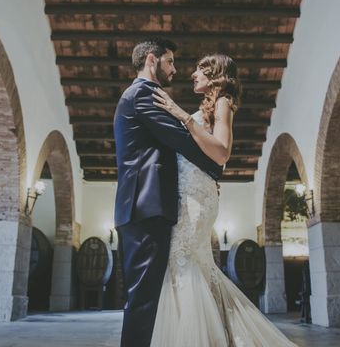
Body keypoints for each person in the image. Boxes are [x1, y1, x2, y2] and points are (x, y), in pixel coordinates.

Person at [150, 53, 297, 347]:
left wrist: (182, 117)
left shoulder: (223, 102)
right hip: (188, 193)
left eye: (201, 70)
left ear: (216, 75)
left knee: (183, 262)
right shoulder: (208, 105)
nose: (193, 74)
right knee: (190, 264)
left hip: (197, 199)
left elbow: (222, 152)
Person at [113, 38, 223, 347]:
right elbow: (181, 140)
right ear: (152, 60)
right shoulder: (143, 94)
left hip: (145, 208)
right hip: (144, 207)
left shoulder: (143, 95)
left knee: (148, 298)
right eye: (170, 61)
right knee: (142, 301)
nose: (175, 69)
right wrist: (216, 166)